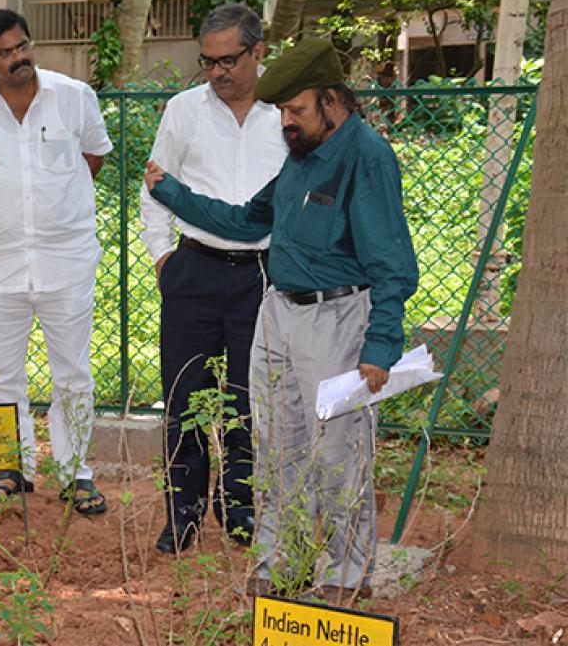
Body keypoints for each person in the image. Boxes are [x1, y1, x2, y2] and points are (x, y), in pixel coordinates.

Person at [145, 39, 418, 603]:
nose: (286, 122)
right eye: (283, 113)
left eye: (295, 110)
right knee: (277, 447)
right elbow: (247, 221)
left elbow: (393, 265)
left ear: (331, 100)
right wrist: (171, 192)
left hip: (337, 319)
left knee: (338, 452)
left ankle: (346, 575)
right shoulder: (300, 155)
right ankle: (282, 560)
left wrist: (380, 345)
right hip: (276, 313)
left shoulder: (365, 157)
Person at [0, 9, 113, 515]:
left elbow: (94, 159)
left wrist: (54, 206)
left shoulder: (74, 97)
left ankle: (75, 473)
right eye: (5, 53)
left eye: (22, 46)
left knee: (73, 374)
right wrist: (4, 209)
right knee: (0, 373)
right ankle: (9, 468)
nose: (18, 58)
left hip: (67, 261)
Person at [141, 5, 288, 555]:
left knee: (251, 398)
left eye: (229, 60)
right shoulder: (185, 111)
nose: (218, 72)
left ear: (258, 52)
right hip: (194, 271)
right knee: (185, 397)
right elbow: (154, 186)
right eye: (208, 61)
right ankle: (183, 515)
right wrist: (164, 259)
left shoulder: (285, 110)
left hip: (263, 275)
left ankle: (239, 508)